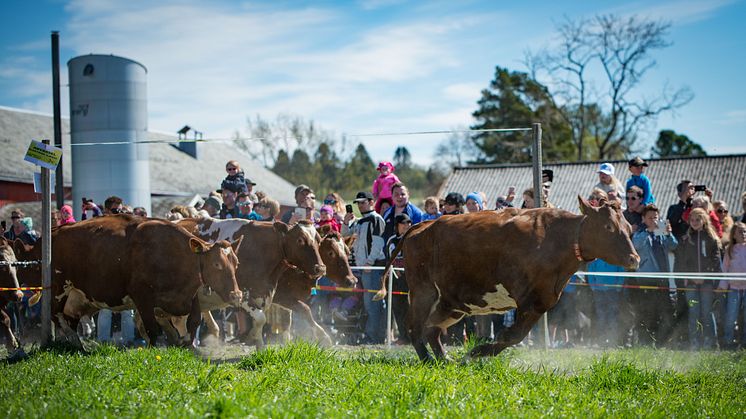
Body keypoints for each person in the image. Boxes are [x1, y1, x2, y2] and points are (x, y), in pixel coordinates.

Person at [342, 191, 387, 344]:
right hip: (362, 268)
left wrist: (369, 262)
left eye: (363, 202)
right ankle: (372, 336)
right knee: (368, 304)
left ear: (371, 202)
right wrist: (345, 222)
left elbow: (378, 243)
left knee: (373, 304)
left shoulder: (376, 219)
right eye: (358, 203)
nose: (360, 205)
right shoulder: (359, 221)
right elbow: (345, 236)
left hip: (372, 268)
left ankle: (374, 337)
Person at [630, 204, 677, 346]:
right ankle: (645, 341)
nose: (654, 220)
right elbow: (635, 245)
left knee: (664, 310)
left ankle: (662, 342)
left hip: (663, 278)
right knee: (647, 311)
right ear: (643, 219)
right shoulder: (640, 233)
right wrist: (649, 230)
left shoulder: (661, 231)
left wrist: (668, 233)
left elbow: (674, 245)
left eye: (655, 217)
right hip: (646, 278)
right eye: (650, 218)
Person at [679, 208, 722, 349]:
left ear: (704, 220)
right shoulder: (687, 239)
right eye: (692, 220)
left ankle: (711, 342)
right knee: (693, 312)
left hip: (707, 283)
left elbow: (715, 260)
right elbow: (683, 261)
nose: (694, 222)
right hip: (691, 283)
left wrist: (705, 276)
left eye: (698, 219)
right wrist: (690, 276)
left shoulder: (711, 239)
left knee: (707, 312)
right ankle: (694, 342)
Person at [96, 196, 135, 346]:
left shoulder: (125, 226)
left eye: (120, 209)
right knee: (105, 308)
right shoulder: (99, 226)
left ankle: (129, 341)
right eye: (115, 210)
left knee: (127, 308)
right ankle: (103, 342)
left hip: (124, 272)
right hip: (105, 273)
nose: (118, 212)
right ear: (106, 210)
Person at [385, 213, 412, 344]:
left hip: (412, 280)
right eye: (403, 223)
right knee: (399, 309)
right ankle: (403, 336)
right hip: (397, 280)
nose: (407, 226)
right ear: (397, 226)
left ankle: (416, 336)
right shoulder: (393, 240)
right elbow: (391, 258)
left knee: (413, 309)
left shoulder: (415, 238)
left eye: (408, 223)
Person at [718, 222, 746, 349]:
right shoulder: (730, 250)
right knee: (731, 316)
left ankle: (744, 341)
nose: (743, 234)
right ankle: (728, 341)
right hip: (733, 289)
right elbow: (725, 269)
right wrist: (722, 286)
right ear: (734, 235)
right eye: (740, 231)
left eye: (745, 231)